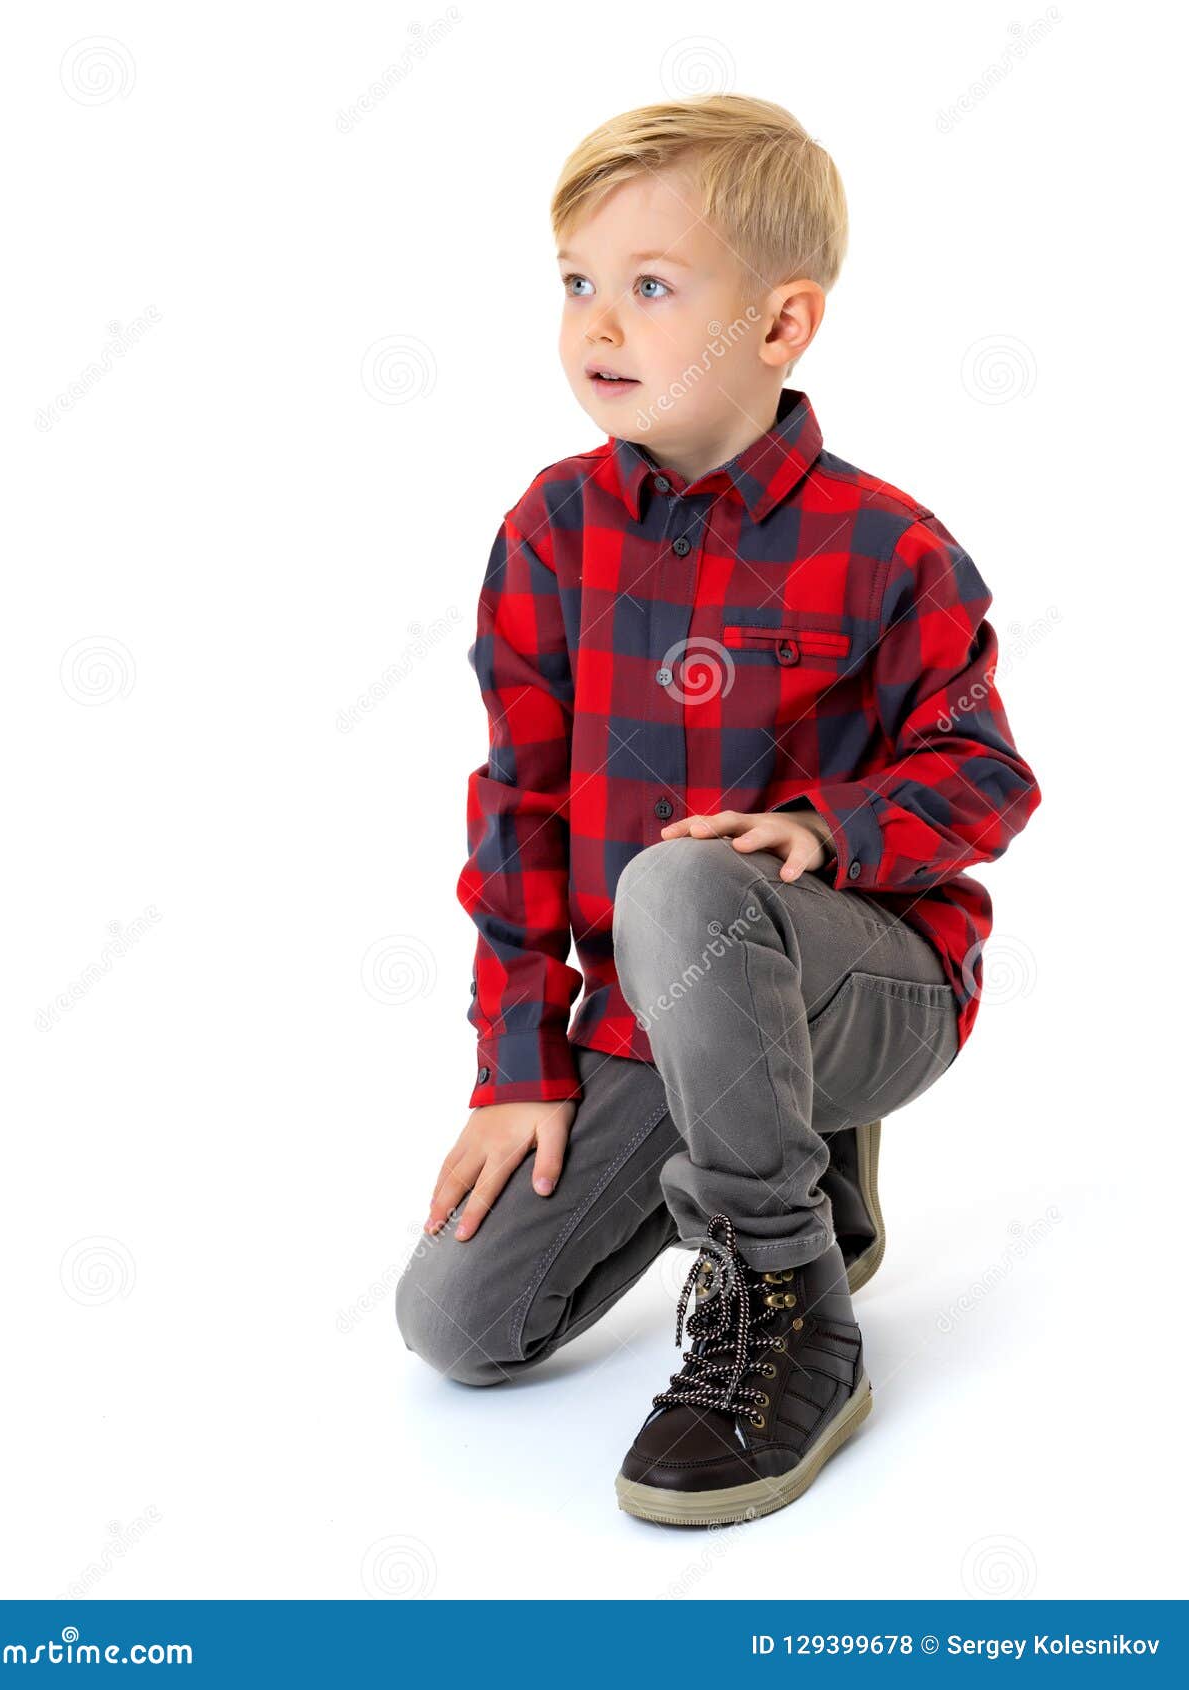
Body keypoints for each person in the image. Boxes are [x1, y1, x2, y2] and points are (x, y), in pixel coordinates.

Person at [394, 93, 1041, 1526]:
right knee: (457, 1321)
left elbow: (989, 774)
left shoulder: (888, 547)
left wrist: (825, 831)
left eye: (649, 287)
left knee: (678, 884)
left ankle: (788, 1296)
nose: (597, 327)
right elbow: (516, 811)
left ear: (782, 322)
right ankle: (799, 1157)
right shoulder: (550, 535)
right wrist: (518, 1065)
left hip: (872, 978)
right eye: (576, 285)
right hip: (655, 1008)